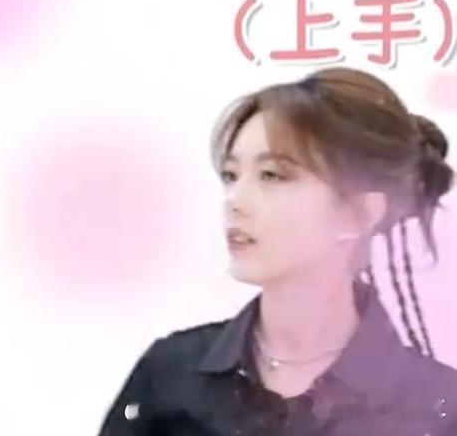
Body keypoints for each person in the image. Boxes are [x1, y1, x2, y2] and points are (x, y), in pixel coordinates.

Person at [98, 67, 457, 435]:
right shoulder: (171, 374)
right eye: (231, 175)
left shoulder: (437, 406)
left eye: (271, 175)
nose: (235, 200)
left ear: (359, 214)